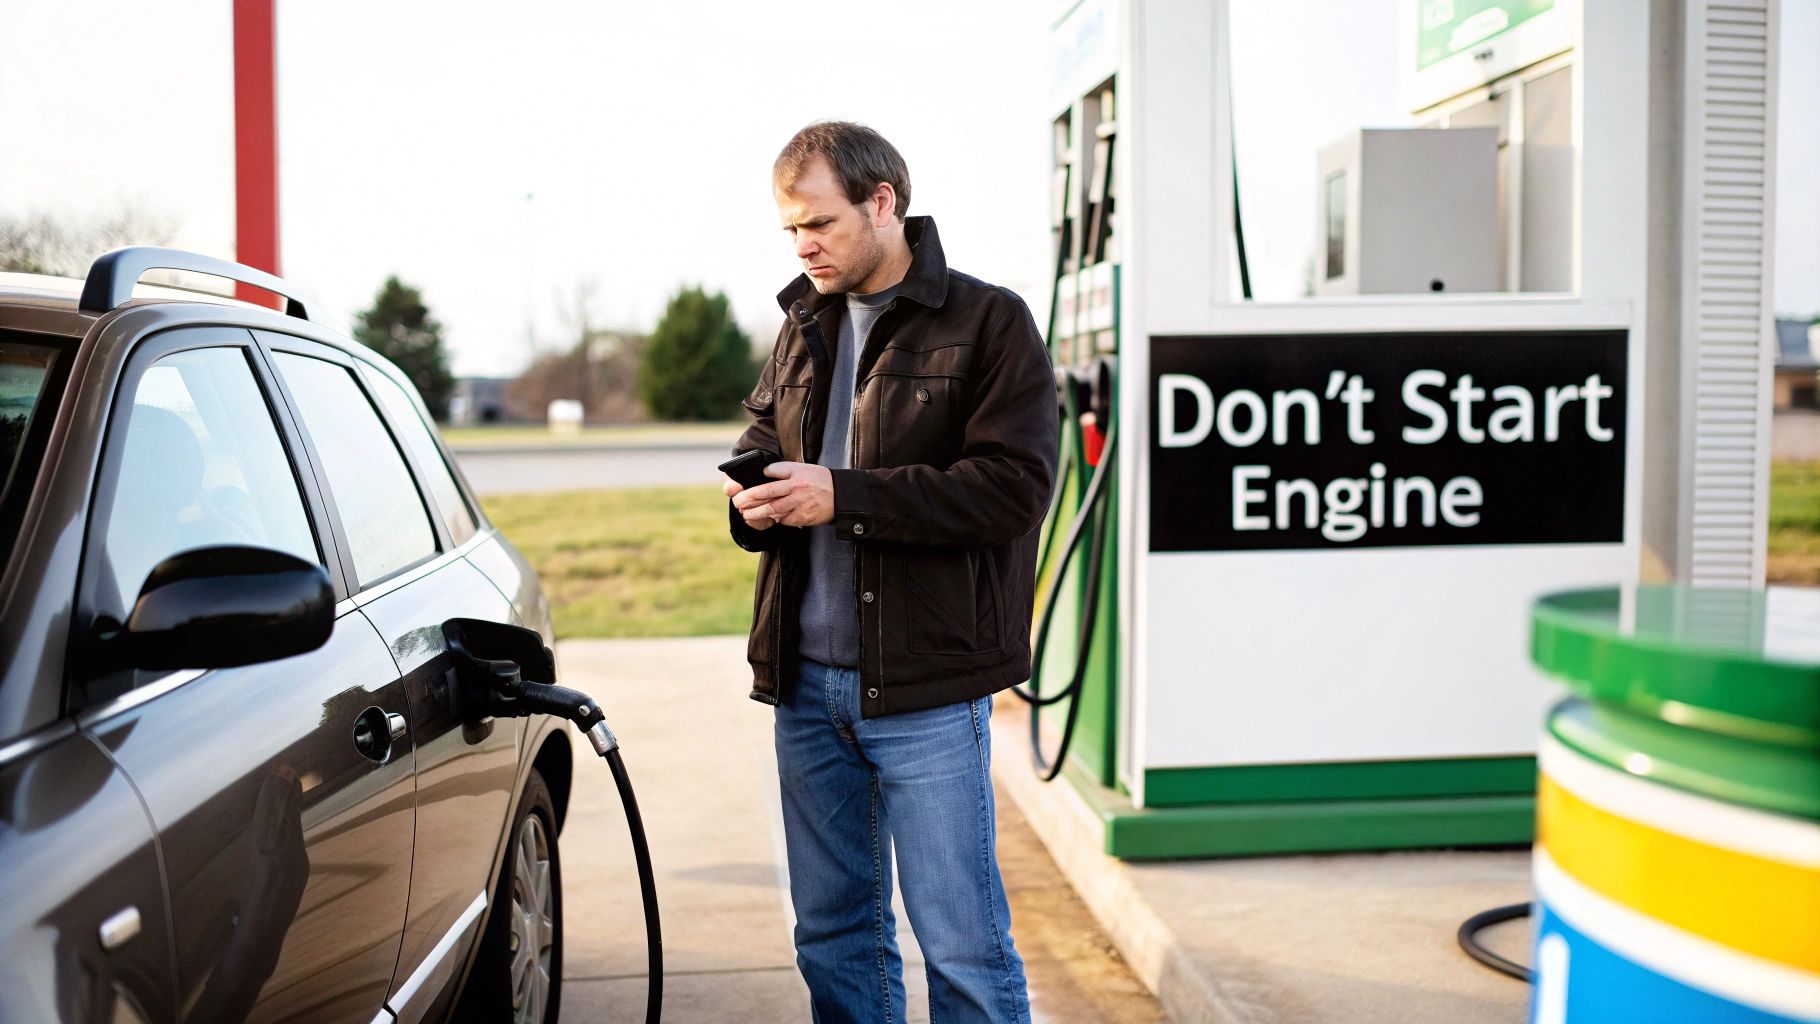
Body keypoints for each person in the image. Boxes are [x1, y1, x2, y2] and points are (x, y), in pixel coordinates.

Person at [722, 121, 1057, 1024]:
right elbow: (764, 443)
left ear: (883, 203)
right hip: (806, 688)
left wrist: (847, 495)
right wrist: (753, 502)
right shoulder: (803, 322)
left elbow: (1013, 490)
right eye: (791, 228)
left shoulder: (989, 322)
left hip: (928, 692)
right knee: (830, 937)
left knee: (961, 947)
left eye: (820, 223)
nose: (804, 245)